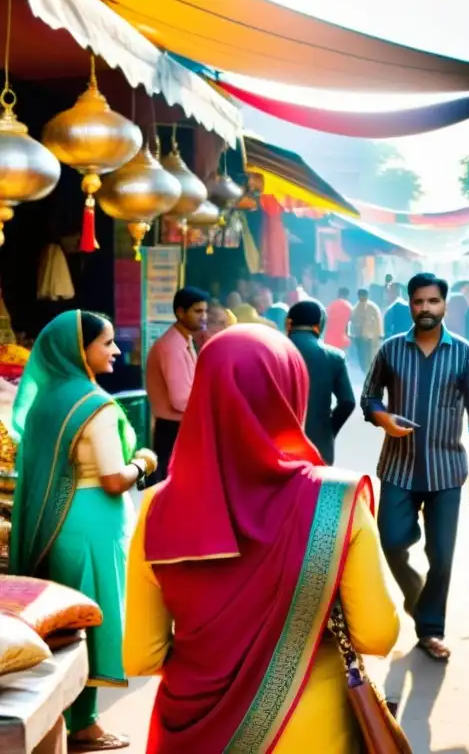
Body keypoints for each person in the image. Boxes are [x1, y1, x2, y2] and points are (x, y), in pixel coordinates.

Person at [122, 326, 399, 753]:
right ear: (291, 394)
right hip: (313, 731)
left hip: (193, 734)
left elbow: (141, 656)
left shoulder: (157, 507)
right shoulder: (335, 502)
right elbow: (377, 636)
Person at [10, 310, 158, 751]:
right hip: (94, 522)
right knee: (90, 616)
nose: (115, 350)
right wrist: (144, 462)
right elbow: (114, 479)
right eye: (106, 342)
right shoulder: (95, 406)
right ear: (81, 349)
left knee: (63, 621)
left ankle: (66, 714)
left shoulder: (47, 401)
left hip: (58, 521)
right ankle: (85, 724)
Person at [361, 272, 469, 662]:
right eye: (419, 302)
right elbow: (369, 397)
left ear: (445, 304)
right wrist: (383, 419)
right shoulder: (391, 350)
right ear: (410, 304)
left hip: (447, 472)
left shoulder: (466, 354)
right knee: (393, 542)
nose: (425, 309)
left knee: (443, 556)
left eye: (433, 302)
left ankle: (431, 629)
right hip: (398, 468)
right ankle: (417, 595)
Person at [146, 286, 207, 483]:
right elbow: (181, 400)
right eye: (198, 311)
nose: (203, 316)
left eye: (205, 311)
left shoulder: (184, 340)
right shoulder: (171, 346)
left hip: (178, 426)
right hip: (172, 429)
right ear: (180, 312)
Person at [286, 300, 356, 465]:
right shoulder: (334, 357)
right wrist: (328, 430)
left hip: (278, 446)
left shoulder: (272, 351)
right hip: (319, 445)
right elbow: (348, 402)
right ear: (319, 325)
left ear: (289, 323)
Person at [349, 288, 383, 372]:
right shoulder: (355, 308)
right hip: (359, 338)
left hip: (370, 338)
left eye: (363, 295)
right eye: (360, 295)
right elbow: (352, 322)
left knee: (370, 357)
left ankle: (370, 373)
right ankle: (365, 372)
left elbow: (378, 322)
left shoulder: (373, 308)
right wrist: (352, 335)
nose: (362, 297)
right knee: (362, 358)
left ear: (367, 296)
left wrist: (379, 335)